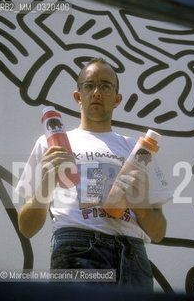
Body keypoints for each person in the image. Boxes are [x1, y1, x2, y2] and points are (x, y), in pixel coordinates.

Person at [17, 57, 171, 290]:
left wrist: (141, 204)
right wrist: (46, 185)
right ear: (78, 96)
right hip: (76, 249)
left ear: (117, 99)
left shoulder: (137, 150)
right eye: (89, 85)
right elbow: (27, 228)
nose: (97, 92)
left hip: (134, 257)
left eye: (106, 86)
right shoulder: (51, 143)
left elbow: (158, 233)